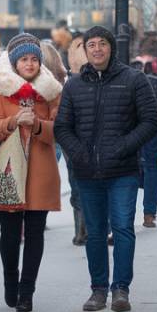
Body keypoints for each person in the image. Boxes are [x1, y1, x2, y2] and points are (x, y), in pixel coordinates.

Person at [54, 26, 157, 312]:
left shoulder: (133, 80)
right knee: (96, 233)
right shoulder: (74, 85)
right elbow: (62, 127)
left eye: (102, 44)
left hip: (123, 171)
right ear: (85, 51)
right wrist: (78, 153)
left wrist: (124, 146)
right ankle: (98, 289)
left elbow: (151, 121)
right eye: (92, 45)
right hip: (87, 173)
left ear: (111, 48)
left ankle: (121, 289)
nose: (97, 49)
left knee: (123, 228)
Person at [0, 33, 63, 312]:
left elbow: (60, 131)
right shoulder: (1, 90)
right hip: (9, 168)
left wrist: (39, 125)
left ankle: (27, 291)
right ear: (15, 64)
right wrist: (13, 121)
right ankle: (11, 282)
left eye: (34, 59)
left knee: (34, 232)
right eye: (24, 60)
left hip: (41, 169)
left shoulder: (52, 92)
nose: (29, 64)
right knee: (8, 233)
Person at [65, 32, 88, 245]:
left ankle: (81, 230)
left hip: (74, 146)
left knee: (77, 187)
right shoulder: (71, 85)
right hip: (80, 144)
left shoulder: (69, 85)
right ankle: (85, 229)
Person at [139, 68, 157, 228]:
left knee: (133, 175)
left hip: (140, 137)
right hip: (156, 141)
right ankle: (149, 215)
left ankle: (126, 218)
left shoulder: (139, 98)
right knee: (152, 173)